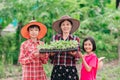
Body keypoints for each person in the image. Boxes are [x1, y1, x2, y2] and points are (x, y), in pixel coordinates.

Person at [49, 15, 81, 80]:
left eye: (67, 24)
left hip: (70, 68)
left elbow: (78, 55)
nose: (65, 26)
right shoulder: (55, 38)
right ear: (60, 27)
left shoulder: (75, 39)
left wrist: (74, 54)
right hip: (57, 68)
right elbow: (50, 55)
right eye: (63, 25)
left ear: (71, 26)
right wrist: (52, 53)